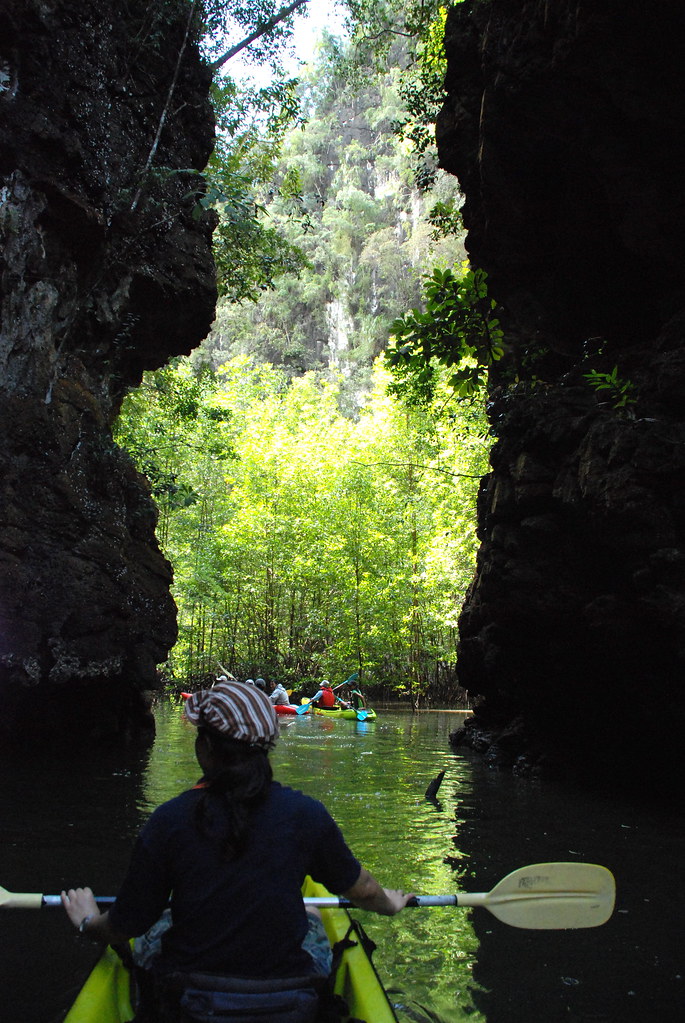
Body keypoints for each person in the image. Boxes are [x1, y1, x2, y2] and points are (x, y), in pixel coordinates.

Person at [61, 682, 412, 1020]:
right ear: (265, 749)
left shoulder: (169, 821)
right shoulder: (306, 814)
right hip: (290, 1000)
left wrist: (88, 922)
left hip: (191, 1000)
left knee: (158, 926)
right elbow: (364, 891)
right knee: (314, 919)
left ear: (205, 749)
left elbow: (125, 926)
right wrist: (389, 904)